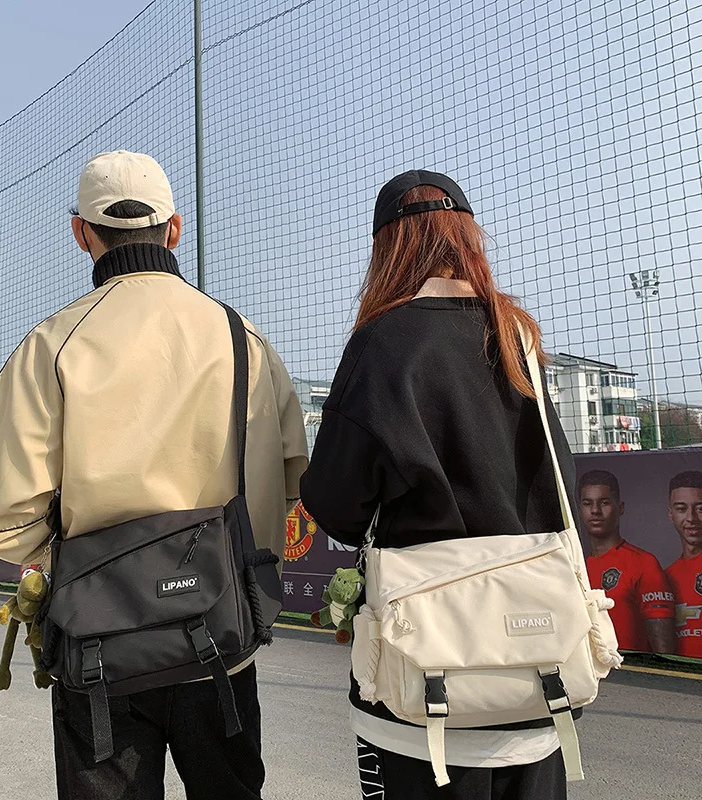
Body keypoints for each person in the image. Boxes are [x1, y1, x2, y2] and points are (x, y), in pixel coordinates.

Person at [0, 150, 308, 800]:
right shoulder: (243, 340)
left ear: (81, 233)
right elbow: (287, 482)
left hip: (101, 653)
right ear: (173, 230)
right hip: (222, 647)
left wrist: (84, 561)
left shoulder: (51, 344)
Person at [301, 170, 577, 800]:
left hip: (423, 685)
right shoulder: (515, 335)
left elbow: (339, 509)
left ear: (384, 250)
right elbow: (561, 490)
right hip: (534, 679)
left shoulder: (381, 343)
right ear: (469, 236)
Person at [579, 469, 675, 654]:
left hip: (631, 680)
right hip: (590, 678)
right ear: (579, 509)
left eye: (604, 503)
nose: (595, 511)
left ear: (620, 507)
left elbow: (666, 654)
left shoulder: (643, 563)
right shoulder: (577, 568)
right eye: (587, 503)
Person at [665, 470, 702, 658]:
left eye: (700, 508)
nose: (691, 518)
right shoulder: (665, 577)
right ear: (671, 514)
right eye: (681, 509)